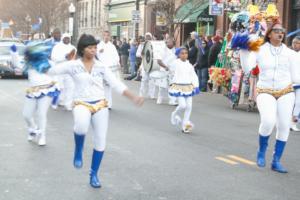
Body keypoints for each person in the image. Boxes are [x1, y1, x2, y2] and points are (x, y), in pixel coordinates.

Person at [48, 34, 144, 188]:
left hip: (100, 104)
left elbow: (116, 84)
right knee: (81, 125)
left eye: (95, 48)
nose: (93, 50)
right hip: (81, 103)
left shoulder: (101, 66)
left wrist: (133, 97)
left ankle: (94, 174)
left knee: (100, 141)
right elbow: (53, 70)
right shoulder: (73, 65)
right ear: (82, 49)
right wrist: (37, 61)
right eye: (90, 47)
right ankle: (78, 149)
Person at [241, 23, 300, 173]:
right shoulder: (259, 49)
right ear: (269, 34)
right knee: (268, 121)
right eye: (276, 31)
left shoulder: (290, 53)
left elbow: (296, 77)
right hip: (265, 90)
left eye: (282, 31)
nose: (280, 33)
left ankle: (276, 160)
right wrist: (243, 50)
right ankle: (261, 151)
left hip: (286, 92)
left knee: (284, 126)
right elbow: (248, 69)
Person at [18, 41, 60, 146]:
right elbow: (18, 66)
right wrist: (14, 53)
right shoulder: (28, 63)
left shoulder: (47, 62)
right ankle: (34, 129)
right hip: (33, 90)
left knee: (41, 114)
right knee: (26, 114)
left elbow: (56, 74)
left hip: (46, 89)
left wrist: (58, 90)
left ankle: (42, 136)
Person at [169, 47, 199, 133]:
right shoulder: (175, 63)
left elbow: (193, 76)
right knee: (182, 105)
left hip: (188, 87)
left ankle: (185, 125)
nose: (184, 55)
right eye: (182, 53)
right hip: (178, 87)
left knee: (189, 106)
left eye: (186, 53)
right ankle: (174, 114)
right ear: (178, 54)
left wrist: (196, 86)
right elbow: (169, 65)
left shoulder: (189, 65)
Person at [51, 33, 76, 110]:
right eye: (65, 38)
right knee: (60, 87)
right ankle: (59, 101)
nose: (67, 39)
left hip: (69, 71)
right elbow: (53, 58)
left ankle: (68, 103)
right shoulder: (57, 47)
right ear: (62, 38)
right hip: (60, 70)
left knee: (70, 87)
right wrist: (64, 57)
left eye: (68, 38)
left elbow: (75, 59)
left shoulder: (73, 48)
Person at [97, 31, 121, 109]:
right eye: (105, 35)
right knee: (101, 87)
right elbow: (94, 55)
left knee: (108, 87)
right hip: (101, 69)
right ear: (103, 36)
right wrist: (98, 52)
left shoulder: (112, 46)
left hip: (110, 69)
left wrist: (118, 63)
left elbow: (116, 56)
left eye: (107, 35)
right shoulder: (99, 45)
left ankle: (108, 104)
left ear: (109, 37)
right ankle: (101, 103)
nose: (106, 37)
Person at [156, 37, 177, 105]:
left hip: (172, 71)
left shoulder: (175, 50)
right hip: (164, 70)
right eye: (170, 42)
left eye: (172, 42)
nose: (172, 43)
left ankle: (172, 100)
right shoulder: (162, 50)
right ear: (167, 43)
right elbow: (158, 61)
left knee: (172, 86)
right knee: (162, 86)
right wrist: (165, 67)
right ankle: (160, 98)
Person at [137, 32, 156, 99]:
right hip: (144, 64)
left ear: (151, 37)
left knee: (152, 80)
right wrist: (142, 54)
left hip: (152, 64)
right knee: (144, 79)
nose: (147, 37)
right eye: (146, 36)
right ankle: (141, 94)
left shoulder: (154, 44)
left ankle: (151, 95)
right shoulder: (142, 45)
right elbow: (138, 54)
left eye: (149, 36)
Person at [291, 36, 300, 131]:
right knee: (289, 103)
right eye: (293, 42)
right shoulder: (289, 54)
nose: (295, 44)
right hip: (289, 83)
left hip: (299, 83)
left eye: (297, 43)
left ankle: (294, 123)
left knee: (298, 103)